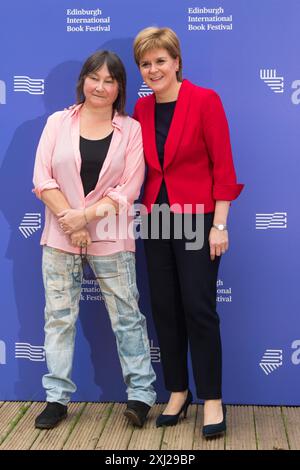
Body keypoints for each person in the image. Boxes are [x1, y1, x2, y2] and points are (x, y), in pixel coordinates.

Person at [33, 50, 156, 430]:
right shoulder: (57, 122)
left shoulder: (131, 129)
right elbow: (43, 180)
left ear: (120, 87)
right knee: (59, 318)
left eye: (110, 80)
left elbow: (127, 190)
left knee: (127, 318)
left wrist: (83, 217)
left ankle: (141, 395)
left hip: (110, 235)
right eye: (94, 78)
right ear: (83, 79)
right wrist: (72, 224)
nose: (100, 87)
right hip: (60, 236)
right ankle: (56, 399)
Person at [133, 27, 244, 437]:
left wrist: (220, 224)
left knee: (198, 307)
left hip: (198, 219)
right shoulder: (141, 111)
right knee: (164, 308)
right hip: (157, 220)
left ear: (177, 62)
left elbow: (224, 166)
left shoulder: (204, 100)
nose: (153, 69)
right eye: (145, 63)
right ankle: (177, 391)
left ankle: (212, 399)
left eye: (160, 61)